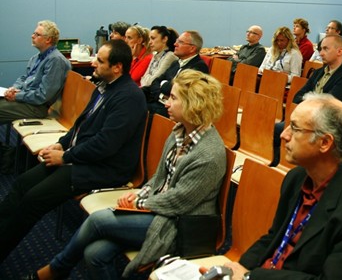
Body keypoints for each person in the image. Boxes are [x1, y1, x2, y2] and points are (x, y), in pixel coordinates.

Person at [26, 70, 227, 280]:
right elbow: (160, 178)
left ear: (194, 104)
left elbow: (180, 201)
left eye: (174, 98)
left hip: (180, 224)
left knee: (97, 220)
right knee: (95, 253)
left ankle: (56, 270)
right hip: (160, 211)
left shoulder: (209, 154)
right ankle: (57, 270)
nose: (166, 103)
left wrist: (139, 203)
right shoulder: (179, 131)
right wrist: (141, 194)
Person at [0, 40, 147, 262]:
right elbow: (81, 126)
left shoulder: (129, 97)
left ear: (117, 67)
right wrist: (62, 144)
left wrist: (65, 156)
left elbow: (106, 145)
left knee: (33, 200)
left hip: (104, 168)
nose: (94, 63)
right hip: (82, 157)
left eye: (100, 61)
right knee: (22, 183)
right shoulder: (106, 87)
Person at [220, 93, 342, 280]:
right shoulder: (296, 178)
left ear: (325, 143)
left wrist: (250, 277)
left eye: (295, 128)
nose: (284, 135)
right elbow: (275, 237)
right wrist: (239, 267)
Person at [0, 20, 71, 124]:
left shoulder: (56, 60)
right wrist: (14, 88)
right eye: (34, 33)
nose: (32, 36)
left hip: (37, 107)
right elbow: (24, 78)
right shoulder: (36, 57)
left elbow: (43, 95)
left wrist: (17, 96)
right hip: (27, 100)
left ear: (48, 39)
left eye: (37, 34)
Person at [144, 31, 209, 117]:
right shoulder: (176, 63)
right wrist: (161, 95)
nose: (175, 44)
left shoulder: (198, 67)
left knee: (138, 111)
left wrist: (163, 84)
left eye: (180, 42)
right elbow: (156, 81)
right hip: (158, 102)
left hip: (174, 111)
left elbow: (177, 91)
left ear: (192, 48)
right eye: (177, 41)